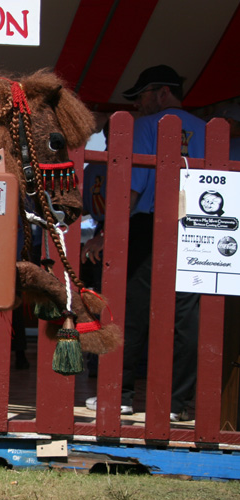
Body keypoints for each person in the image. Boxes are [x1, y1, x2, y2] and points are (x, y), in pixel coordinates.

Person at [85, 65, 205, 421]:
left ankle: (120, 395)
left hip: (147, 226)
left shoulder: (145, 127)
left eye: (141, 95)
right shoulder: (206, 130)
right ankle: (177, 404)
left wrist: (107, 234)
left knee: (131, 310)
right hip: (197, 228)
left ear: (163, 92)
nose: (138, 104)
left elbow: (132, 190)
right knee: (187, 315)